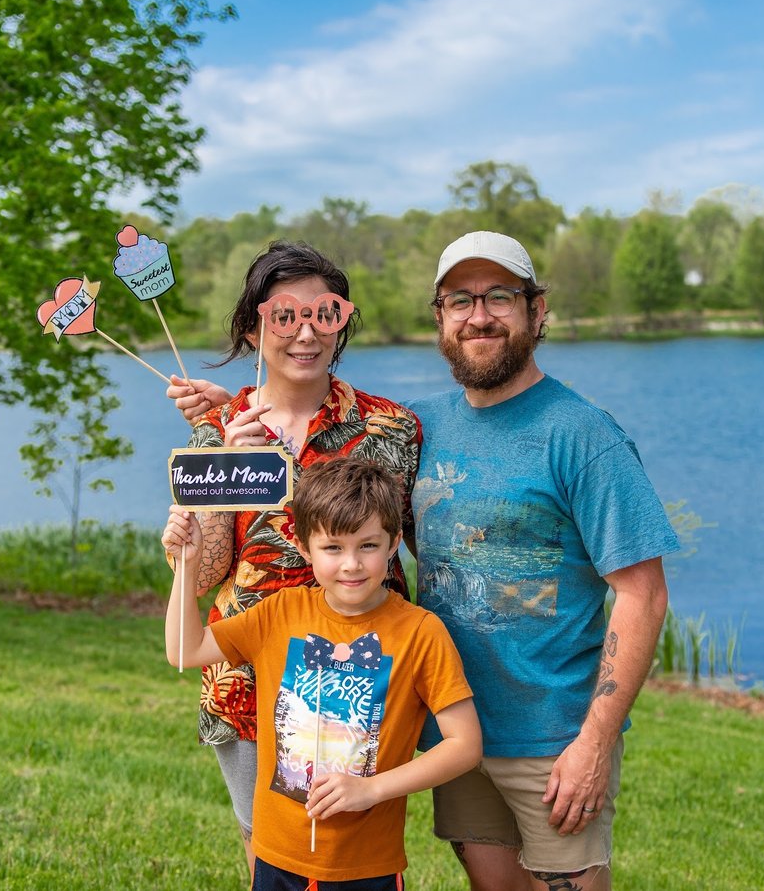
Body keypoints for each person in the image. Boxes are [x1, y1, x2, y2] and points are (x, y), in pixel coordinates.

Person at [407, 231, 677, 891]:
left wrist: (592, 744)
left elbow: (642, 595)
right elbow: (324, 464)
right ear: (439, 316)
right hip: (458, 728)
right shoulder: (415, 426)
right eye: (459, 300)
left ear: (537, 310)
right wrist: (238, 416)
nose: (479, 316)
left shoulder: (583, 435)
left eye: (499, 296)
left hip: (555, 738)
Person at [165, 241, 423, 873]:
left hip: (361, 679)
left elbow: (419, 549)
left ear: (342, 323)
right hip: (247, 682)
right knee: (269, 850)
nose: (306, 332)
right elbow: (199, 574)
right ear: (255, 326)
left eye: (325, 313)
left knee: (352, 852)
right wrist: (224, 460)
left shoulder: (392, 430)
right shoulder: (218, 429)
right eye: (284, 315)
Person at [162, 457, 481, 889]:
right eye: (333, 548)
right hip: (276, 853)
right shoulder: (280, 611)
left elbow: (464, 745)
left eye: (368, 546)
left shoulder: (421, 633)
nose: (351, 564)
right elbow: (186, 649)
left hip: (366, 865)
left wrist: (372, 789)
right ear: (302, 545)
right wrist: (187, 563)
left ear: (393, 544)